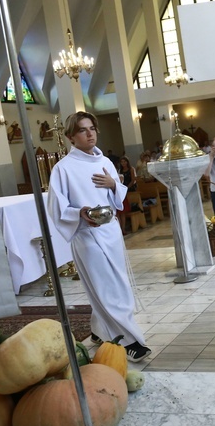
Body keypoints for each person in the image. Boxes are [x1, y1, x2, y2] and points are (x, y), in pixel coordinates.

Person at [47, 111, 151, 362]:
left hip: (111, 232)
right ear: (71, 136)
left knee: (113, 283)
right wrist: (80, 213)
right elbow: (55, 207)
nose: (90, 133)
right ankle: (129, 341)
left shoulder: (104, 161)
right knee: (107, 288)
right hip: (86, 234)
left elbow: (119, 197)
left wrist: (114, 185)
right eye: (83, 130)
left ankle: (98, 330)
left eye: (92, 128)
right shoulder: (63, 168)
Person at [117, 156, 137, 235]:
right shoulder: (120, 170)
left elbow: (133, 179)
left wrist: (127, 187)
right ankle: (120, 229)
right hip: (122, 189)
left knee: (123, 211)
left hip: (130, 187)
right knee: (119, 212)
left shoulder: (131, 169)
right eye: (122, 162)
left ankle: (123, 228)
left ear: (127, 162)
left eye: (124, 161)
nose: (123, 163)